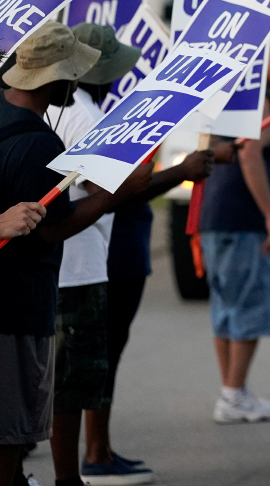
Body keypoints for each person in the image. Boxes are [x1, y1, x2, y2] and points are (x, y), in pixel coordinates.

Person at [76, 27, 237, 483]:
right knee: (101, 354)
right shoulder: (86, 116)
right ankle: (95, 454)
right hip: (113, 247)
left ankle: (99, 448)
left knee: (106, 352)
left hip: (119, 244)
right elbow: (115, 194)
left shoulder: (95, 111)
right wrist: (180, 172)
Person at [0, 24, 149, 486]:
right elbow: (53, 229)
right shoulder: (40, 143)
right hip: (17, 310)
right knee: (10, 439)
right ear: (56, 80)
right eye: (72, 73)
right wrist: (112, 193)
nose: (77, 82)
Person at [44, 25, 143, 486]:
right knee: (70, 385)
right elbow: (102, 191)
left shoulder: (69, 109)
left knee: (60, 380)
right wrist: (161, 174)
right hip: (77, 266)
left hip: (64, 264)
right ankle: (74, 474)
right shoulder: (84, 117)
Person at [199, 29, 270, 424]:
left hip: (218, 215)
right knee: (247, 305)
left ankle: (232, 391)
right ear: (266, 52)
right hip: (241, 218)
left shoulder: (251, 96)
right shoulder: (256, 97)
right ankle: (233, 395)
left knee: (227, 307)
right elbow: (251, 155)